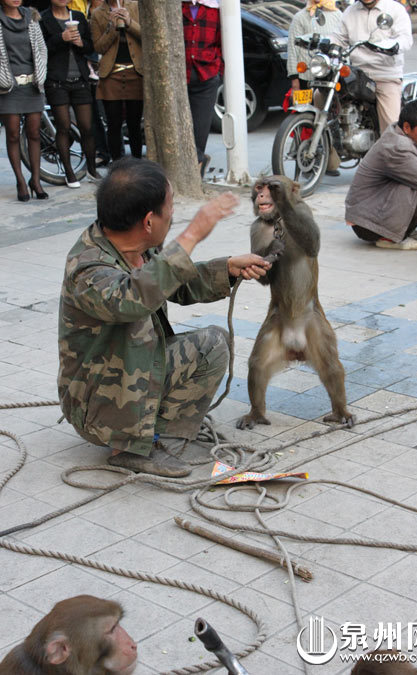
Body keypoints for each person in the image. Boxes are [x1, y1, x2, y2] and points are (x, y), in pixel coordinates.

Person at [58, 157, 271, 477]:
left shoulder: (139, 246)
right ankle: (127, 447)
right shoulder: (88, 268)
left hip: (128, 381)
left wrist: (226, 267)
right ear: (147, 221)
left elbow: (174, 283)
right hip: (94, 408)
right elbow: (132, 299)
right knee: (139, 324)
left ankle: (154, 436)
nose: (173, 215)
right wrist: (195, 232)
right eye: (169, 207)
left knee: (213, 344)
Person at [346, 100, 417, 250]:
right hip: (367, 224)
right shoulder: (397, 147)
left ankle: (400, 230)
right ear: (407, 127)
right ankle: (389, 237)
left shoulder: (408, 137)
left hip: (373, 214)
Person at [41, 0, 101, 188]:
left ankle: (91, 170)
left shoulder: (79, 16)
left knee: (87, 126)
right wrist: (62, 38)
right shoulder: (43, 18)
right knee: (64, 126)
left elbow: (91, 47)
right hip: (56, 80)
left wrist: (81, 42)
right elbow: (42, 48)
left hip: (80, 79)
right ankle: (69, 173)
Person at [331, 0, 413, 134]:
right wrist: (325, 43)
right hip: (357, 74)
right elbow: (339, 38)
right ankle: (331, 149)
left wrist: (393, 45)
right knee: (320, 95)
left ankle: (393, 153)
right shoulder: (350, 12)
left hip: (385, 75)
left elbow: (405, 39)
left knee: (391, 129)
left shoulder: (394, 9)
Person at [287, 0, 342, 176]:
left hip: (329, 79)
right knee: (304, 122)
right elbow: (293, 49)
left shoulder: (339, 16)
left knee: (329, 120)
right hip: (305, 79)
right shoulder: (301, 17)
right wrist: (294, 79)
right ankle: (304, 162)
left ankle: (327, 161)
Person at [0, 0, 47, 201]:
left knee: (34, 132)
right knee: (12, 134)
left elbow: (41, 49)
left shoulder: (31, 17)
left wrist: (41, 74)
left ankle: (35, 180)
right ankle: (20, 180)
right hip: (7, 86)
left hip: (33, 84)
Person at [90, 0, 143, 162]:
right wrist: (111, 28)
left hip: (136, 71)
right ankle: (117, 165)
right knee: (114, 124)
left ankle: (137, 164)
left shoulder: (135, 7)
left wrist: (129, 22)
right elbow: (98, 47)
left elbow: (146, 36)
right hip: (111, 74)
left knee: (134, 124)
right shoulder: (98, 13)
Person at [182, 0, 222, 178]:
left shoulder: (214, 11)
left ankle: (197, 169)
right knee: (181, 128)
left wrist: (218, 70)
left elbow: (221, 42)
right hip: (180, 75)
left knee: (200, 128)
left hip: (206, 74)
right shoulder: (177, 9)